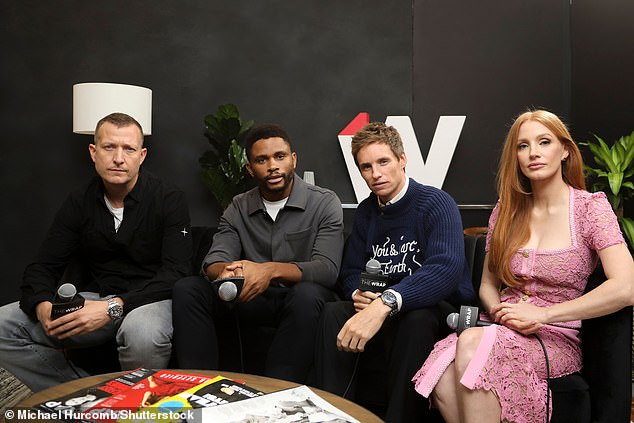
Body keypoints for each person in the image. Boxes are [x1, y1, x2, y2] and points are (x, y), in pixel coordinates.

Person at [412, 109, 634, 423]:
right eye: (522, 145)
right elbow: (488, 286)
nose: (533, 153)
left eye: (544, 142)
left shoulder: (590, 207)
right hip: (500, 327)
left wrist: (543, 314)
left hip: (556, 335)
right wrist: (500, 311)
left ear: (565, 150)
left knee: (473, 344)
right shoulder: (506, 210)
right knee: (444, 374)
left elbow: (627, 288)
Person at [0, 112, 192, 392]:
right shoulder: (79, 201)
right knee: (4, 326)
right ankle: (86, 395)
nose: (118, 158)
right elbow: (42, 267)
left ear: (142, 155)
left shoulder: (169, 199)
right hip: (95, 301)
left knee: (141, 334)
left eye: (129, 149)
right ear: (93, 152)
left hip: (150, 301)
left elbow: (176, 273)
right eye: (109, 147)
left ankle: (136, 409)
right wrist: (42, 307)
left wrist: (113, 307)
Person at [315, 122, 474, 423]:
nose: (375, 174)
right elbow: (350, 271)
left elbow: (445, 270)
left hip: (434, 306)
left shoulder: (436, 202)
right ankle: (334, 414)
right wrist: (359, 294)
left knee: (417, 318)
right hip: (382, 304)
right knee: (333, 313)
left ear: (402, 159)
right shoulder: (366, 211)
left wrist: (387, 301)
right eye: (366, 167)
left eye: (383, 162)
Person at [172, 123, 344, 384]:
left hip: (298, 301)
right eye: (262, 160)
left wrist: (268, 270)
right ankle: (199, 387)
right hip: (250, 297)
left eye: (279, 156)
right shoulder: (238, 206)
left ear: (293, 160)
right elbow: (213, 261)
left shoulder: (324, 202)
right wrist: (227, 270)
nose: (272, 166)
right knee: (188, 288)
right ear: (250, 168)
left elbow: (327, 269)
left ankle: (276, 390)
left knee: (307, 295)